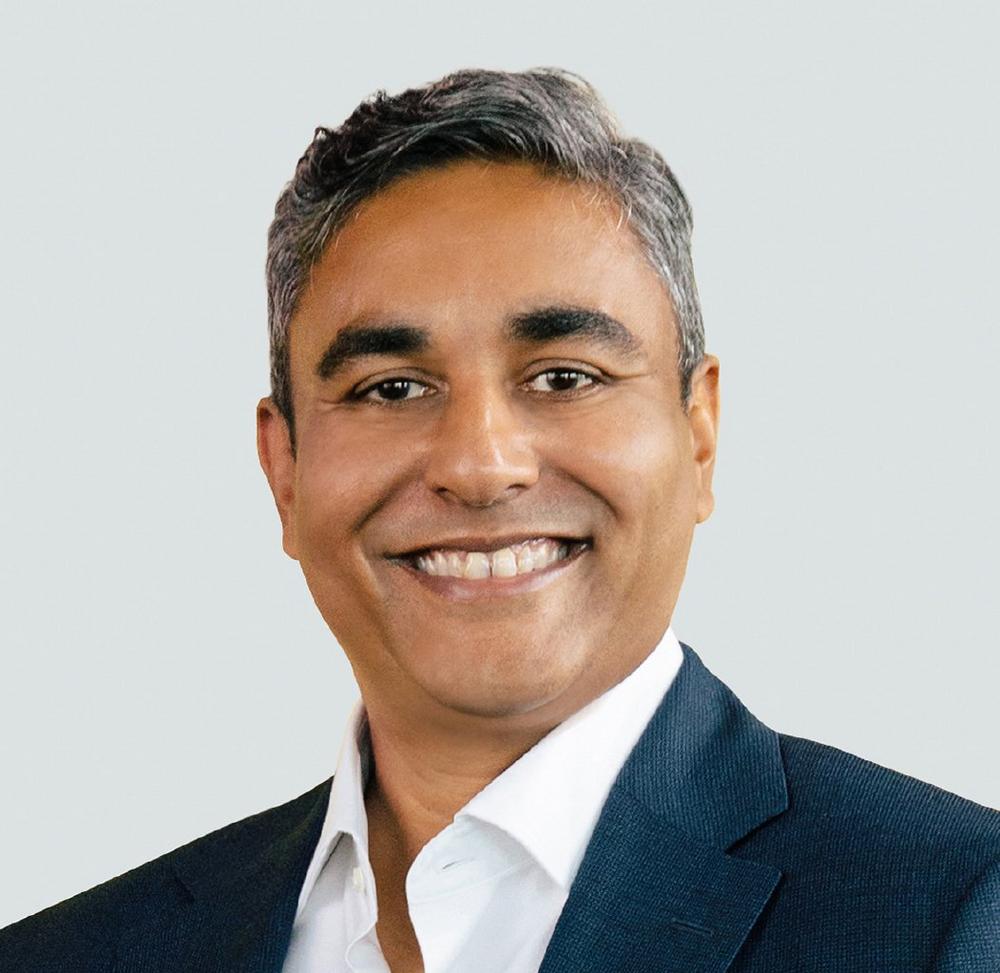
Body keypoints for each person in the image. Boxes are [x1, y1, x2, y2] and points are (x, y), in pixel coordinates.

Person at [1, 66, 997, 973]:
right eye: (392, 388)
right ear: (285, 470)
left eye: (564, 376)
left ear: (698, 434)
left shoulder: (948, 918)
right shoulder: (69, 955)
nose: (480, 466)